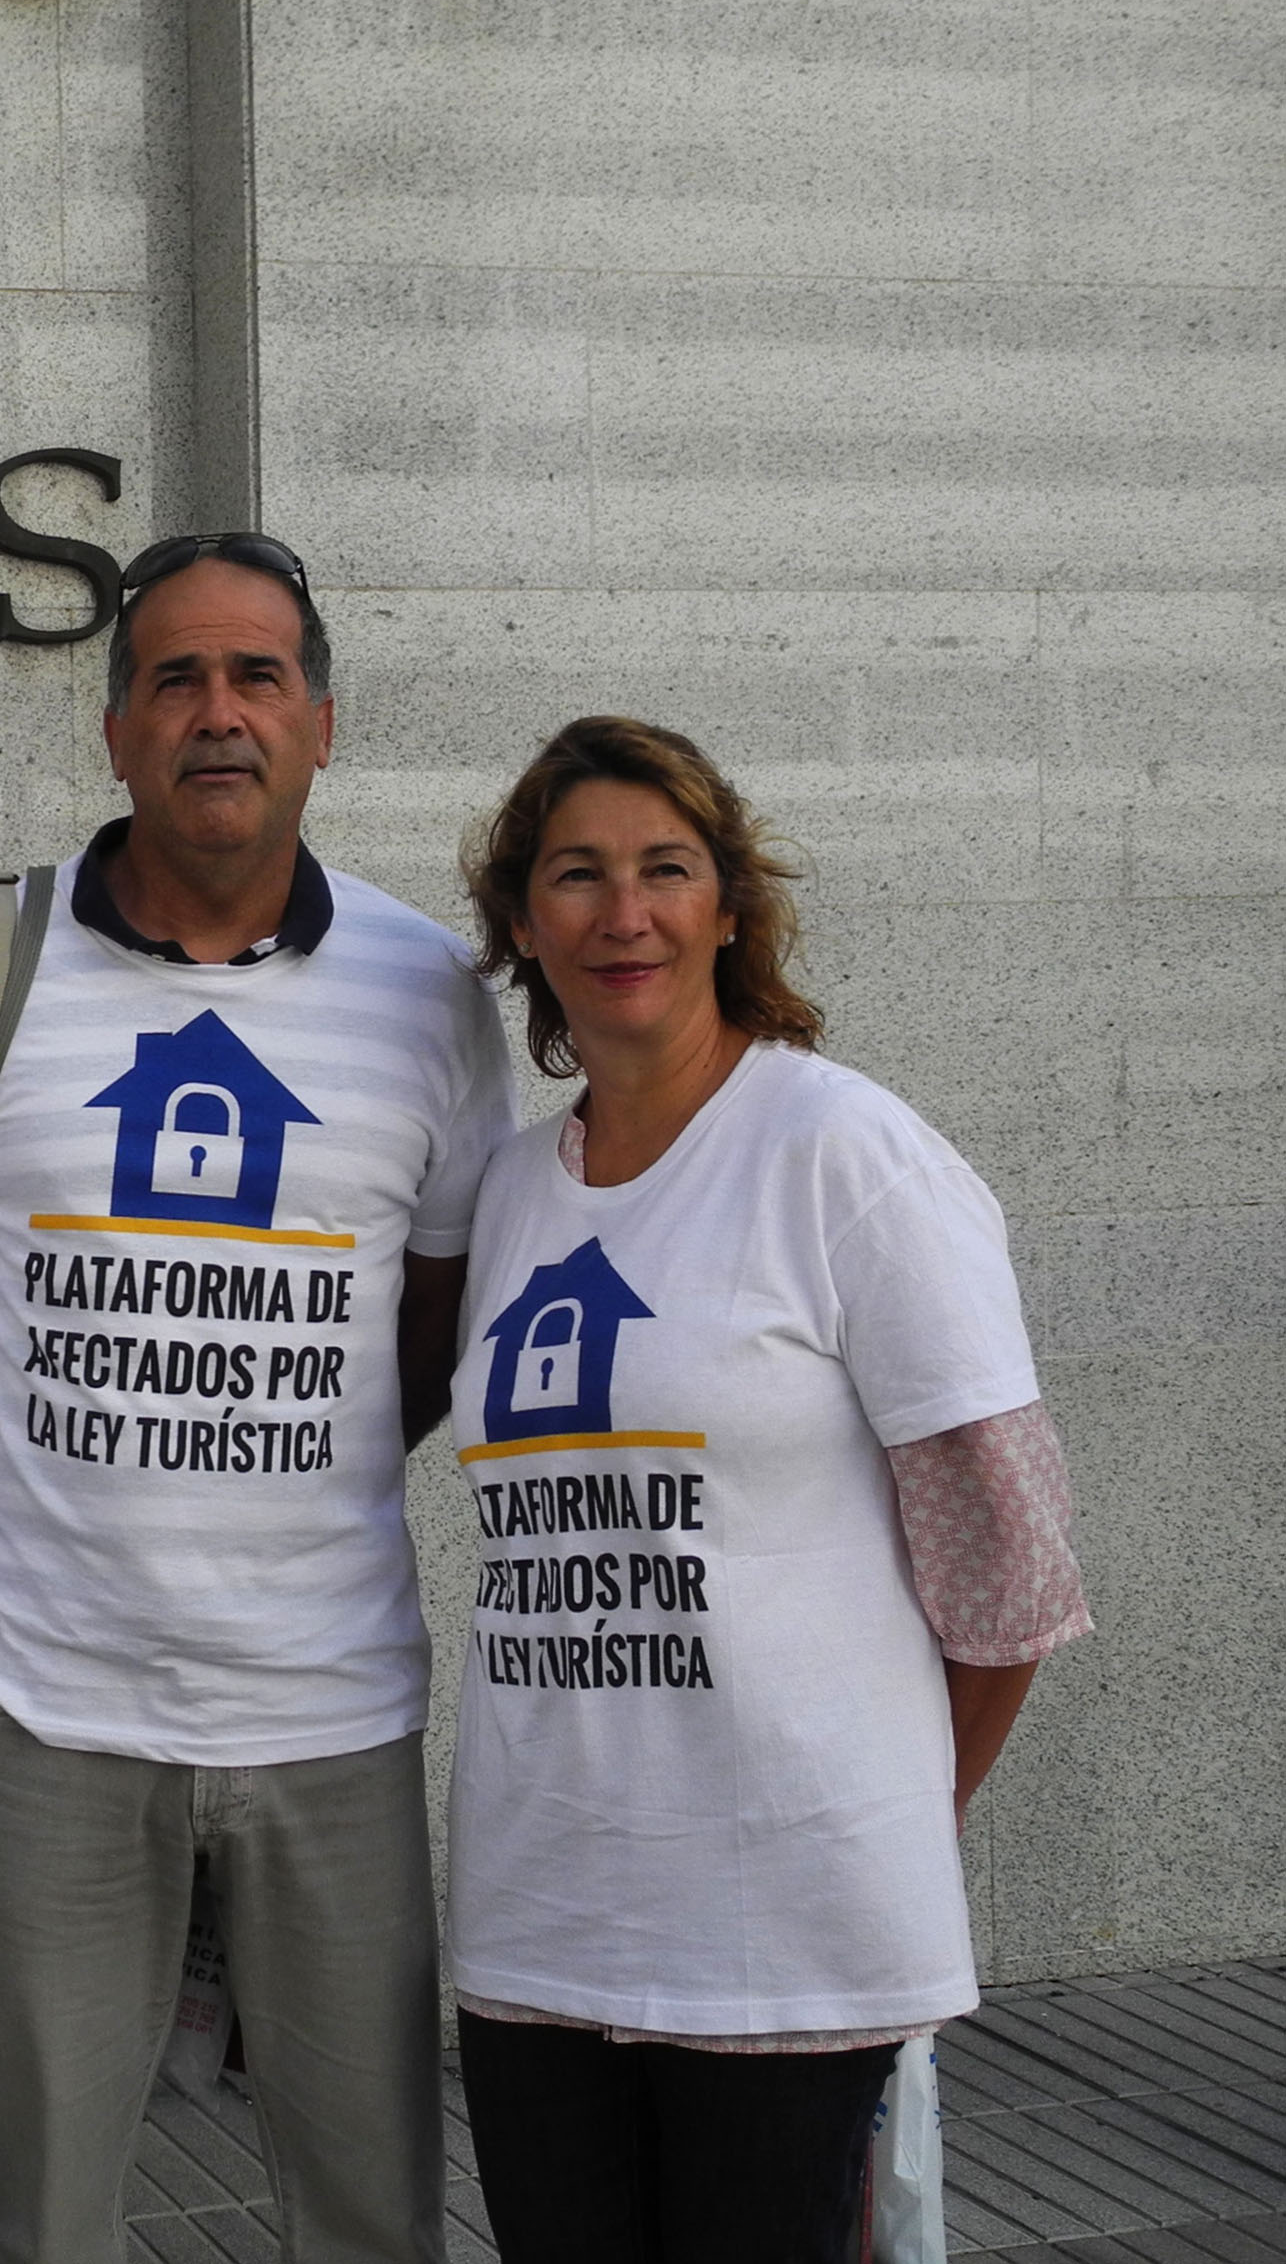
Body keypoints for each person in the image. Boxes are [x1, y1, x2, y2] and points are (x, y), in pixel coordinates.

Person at [0, 532, 514, 2264]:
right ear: (114, 724)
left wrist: (267, 1451)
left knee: (368, 2205)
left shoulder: (426, 993)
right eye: (176, 678)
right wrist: (53, 1437)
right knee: (40, 2213)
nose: (218, 712)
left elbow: (426, 1330)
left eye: (256, 675)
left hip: (326, 1706)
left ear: (321, 722)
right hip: (47, 1703)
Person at [444, 715, 1090, 2263]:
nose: (623, 914)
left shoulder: (842, 1154)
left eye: (665, 869)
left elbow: (1004, 1570)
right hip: (541, 1921)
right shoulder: (514, 1193)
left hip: (782, 1941)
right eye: (576, 876)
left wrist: (872, 1825)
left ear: (728, 906)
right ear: (522, 926)